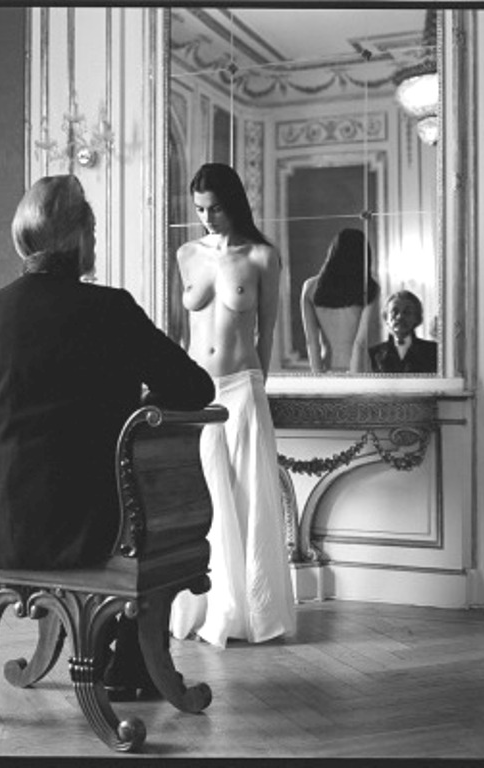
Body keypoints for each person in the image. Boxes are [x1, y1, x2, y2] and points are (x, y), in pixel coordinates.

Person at [0, 174, 214, 699]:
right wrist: (142, 402)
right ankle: (131, 662)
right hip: (91, 526)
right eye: (91, 230)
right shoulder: (112, 309)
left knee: (126, 509)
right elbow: (195, 387)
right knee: (144, 511)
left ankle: (116, 654)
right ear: (81, 236)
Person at [170, 162, 296, 648]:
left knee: (248, 500)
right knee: (202, 501)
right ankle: (203, 606)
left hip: (242, 387)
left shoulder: (262, 256)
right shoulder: (187, 254)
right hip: (196, 392)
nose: (207, 218)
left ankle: (249, 613)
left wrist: (258, 390)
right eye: (200, 209)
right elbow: (183, 333)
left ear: (235, 203)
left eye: (216, 208)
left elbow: (268, 332)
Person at [300, 228, 380, 373]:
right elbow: (360, 342)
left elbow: (312, 342)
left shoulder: (310, 287)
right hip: (361, 369)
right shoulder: (369, 287)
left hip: (328, 367)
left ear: (332, 252)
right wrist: (355, 377)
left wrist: (317, 376)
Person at [368, 289, 438, 373]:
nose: (400, 317)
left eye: (407, 312)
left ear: (417, 318)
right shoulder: (372, 354)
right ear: (386, 318)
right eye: (394, 312)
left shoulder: (434, 351)